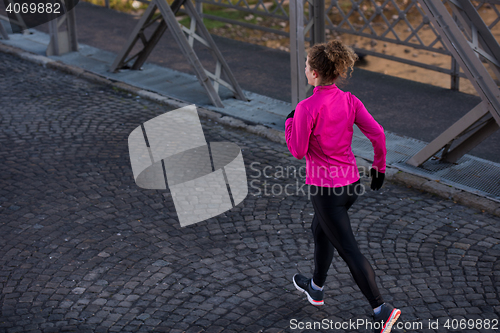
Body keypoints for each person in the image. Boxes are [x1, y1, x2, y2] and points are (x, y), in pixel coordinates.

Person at [285, 40, 401, 333]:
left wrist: (289, 123)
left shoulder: (306, 107)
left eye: (307, 67)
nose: (306, 70)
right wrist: (379, 166)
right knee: (319, 231)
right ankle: (315, 287)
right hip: (350, 185)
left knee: (348, 248)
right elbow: (377, 132)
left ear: (313, 73)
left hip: (326, 191)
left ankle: (380, 309)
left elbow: (298, 150)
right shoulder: (350, 100)